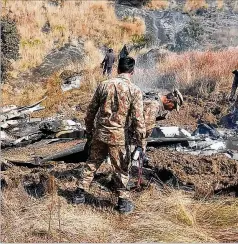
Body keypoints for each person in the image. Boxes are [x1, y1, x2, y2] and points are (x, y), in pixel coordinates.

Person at [77, 57, 146, 214]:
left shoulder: (104, 85)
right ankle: (122, 203)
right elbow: (138, 119)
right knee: (121, 169)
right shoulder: (134, 90)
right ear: (132, 71)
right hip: (119, 137)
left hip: (100, 133)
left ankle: (79, 194)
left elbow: (90, 112)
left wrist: (89, 132)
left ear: (117, 69)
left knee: (92, 163)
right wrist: (141, 143)